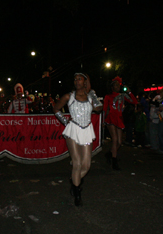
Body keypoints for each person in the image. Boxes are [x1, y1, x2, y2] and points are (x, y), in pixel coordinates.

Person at [53, 73, 102, 206]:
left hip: (87, 130)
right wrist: (65, 120)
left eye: (79, 79)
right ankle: (77, 192)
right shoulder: (69, 96)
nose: (76, 81)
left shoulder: (90, 96)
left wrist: (92, 95)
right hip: (73, 129)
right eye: (75, 79)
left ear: (85, 81)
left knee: (86, 165)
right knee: (77, 163)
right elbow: (56, 109)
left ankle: (74, 181)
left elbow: (98, 109)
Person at [103, 76, 137, 170]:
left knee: (119, 141)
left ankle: (110, 154)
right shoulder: (108, 96)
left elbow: (134, 102)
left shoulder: (122, 96)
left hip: (119, 118)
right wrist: (103, 121)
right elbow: (105, 109)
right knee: (114, 140)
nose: (118, 86)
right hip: (110, 119)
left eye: (119, 85)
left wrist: (129, 92)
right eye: (116, 85)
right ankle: (114, 161)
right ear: (112, 87)